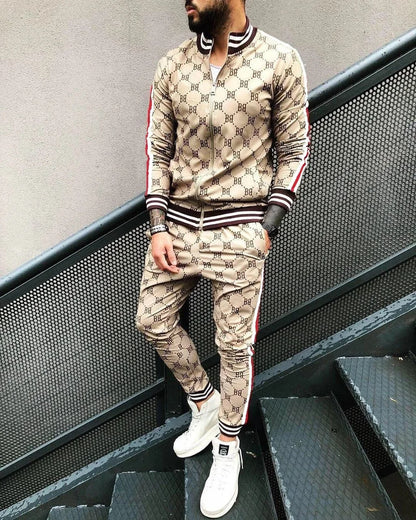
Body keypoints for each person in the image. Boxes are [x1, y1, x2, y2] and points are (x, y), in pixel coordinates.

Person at [136, 0, 310, 516]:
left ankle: (228, 447)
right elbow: (158, 150)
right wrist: (158, 225)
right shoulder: (172, 64)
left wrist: (267, 227)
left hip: (240, 232)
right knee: (152, 321)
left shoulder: (279, 59)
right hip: (176, 228)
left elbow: (295, 149)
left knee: (234, 347)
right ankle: (204, 402)